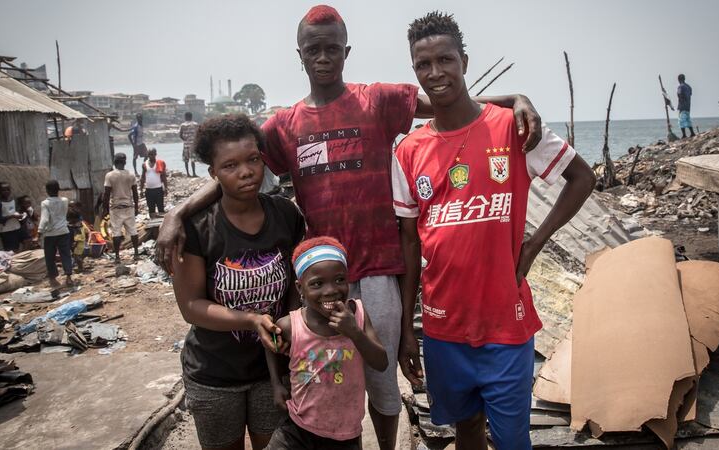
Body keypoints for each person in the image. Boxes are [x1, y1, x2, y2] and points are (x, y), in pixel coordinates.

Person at [156, 6, 543, 449]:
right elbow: (237, 167)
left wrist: (515, 99)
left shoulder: (377, 100)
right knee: (324, 379)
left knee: (381, 384)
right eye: (313, 50)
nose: (323, 58)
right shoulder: (284, 126)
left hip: (378, 270)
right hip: (320, 277)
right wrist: (177, 213)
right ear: (299, 55)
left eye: (332, 49)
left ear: (347, 51)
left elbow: (448, 100)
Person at [392, 12, 596, 450]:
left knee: (511, 440)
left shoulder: (512, 127)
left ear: (464, 60)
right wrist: (409, 329)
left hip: (507, 323)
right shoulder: (408, 151)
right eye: (423, 65)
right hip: (444, 327)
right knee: (465, 431)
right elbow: (409, 243)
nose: (435, 73)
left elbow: (583, 178)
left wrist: (535, 243)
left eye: (445, 60)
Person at [171, 114, 306, 450]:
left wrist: (290, 326)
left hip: (272, 370)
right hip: (215, 374)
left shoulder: (286, 216)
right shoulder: (197, 228)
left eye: (253, 160)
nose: (246, 172)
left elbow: (292, 285)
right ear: (213, 174)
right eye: (230, 165)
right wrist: (249, 319)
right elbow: (191, 307)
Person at [265, 236, 388, 450]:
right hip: (298, 429)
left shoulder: (357, 314)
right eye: (317, 284)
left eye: (339, 280)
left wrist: (354, 333)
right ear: (300, 288)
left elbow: (381, 363)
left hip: (345, 434)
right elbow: (270, 344)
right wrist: (276, 384)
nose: (330, 290)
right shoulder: (290, 325)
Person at [103, 152, 140, 263]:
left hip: (116, 208)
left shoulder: (110, 175)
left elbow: (107, 194)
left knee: (116, 233)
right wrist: (137, 207)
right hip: (129, 207)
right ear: (124, 162)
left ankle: (118, 256)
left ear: (115, 162)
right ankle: (136, 253)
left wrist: (105, 209)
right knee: (133, 231)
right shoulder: (131, 174)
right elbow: (135, 193)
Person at [38, 180, 75, 288]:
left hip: (50, 234)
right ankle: (68, 277)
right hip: (63, 231)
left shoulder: (45, 203)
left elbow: (44, 219)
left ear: (47, 190)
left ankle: (53, 279)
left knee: (50, 257)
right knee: (65, 254)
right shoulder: (64, 200)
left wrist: (39, 232)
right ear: (58, 189)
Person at [0, 182, 24, 252]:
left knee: (28, 240)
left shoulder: (13, 201)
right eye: (3, 190)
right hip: (6, 231)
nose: (6, 191)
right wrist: (12, 216)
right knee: (12, 251)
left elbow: (16, 211)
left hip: (17, 227)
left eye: (8, 189)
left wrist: (20, 215)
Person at [140, 148, 168, 216]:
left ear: (155, 154)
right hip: (148, 190)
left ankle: (161, 224)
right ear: (147, 154)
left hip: (158, 189)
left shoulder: (160, 163)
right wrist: (141, 189)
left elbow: (164, 176)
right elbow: (143, 177)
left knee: (161, 208)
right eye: (150, 154)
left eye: (153, 154)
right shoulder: (144, 164)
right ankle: (152, 224)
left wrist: (166, 188)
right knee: (151, 209)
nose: (151, 156)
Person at [179, 111, 200, 177]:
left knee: (186, 159)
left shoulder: (182, 125)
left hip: (186, 145)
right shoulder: (195, 124)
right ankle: (194, 173)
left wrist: (185, 140)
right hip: (193, 144)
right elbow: (198, 134)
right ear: (191, 117)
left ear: (185, 117)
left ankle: (188, 173)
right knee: (193, 159)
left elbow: (180, 135)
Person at [677, 74, 695, 138]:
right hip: (688, 105)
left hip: (682, 105)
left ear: (679, 79)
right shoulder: (689, 87)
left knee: (681, 120)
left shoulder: (680, 87)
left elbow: (679, 94)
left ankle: (684, 135)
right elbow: (690, 94)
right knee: (687, 119)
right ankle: (692, 133)